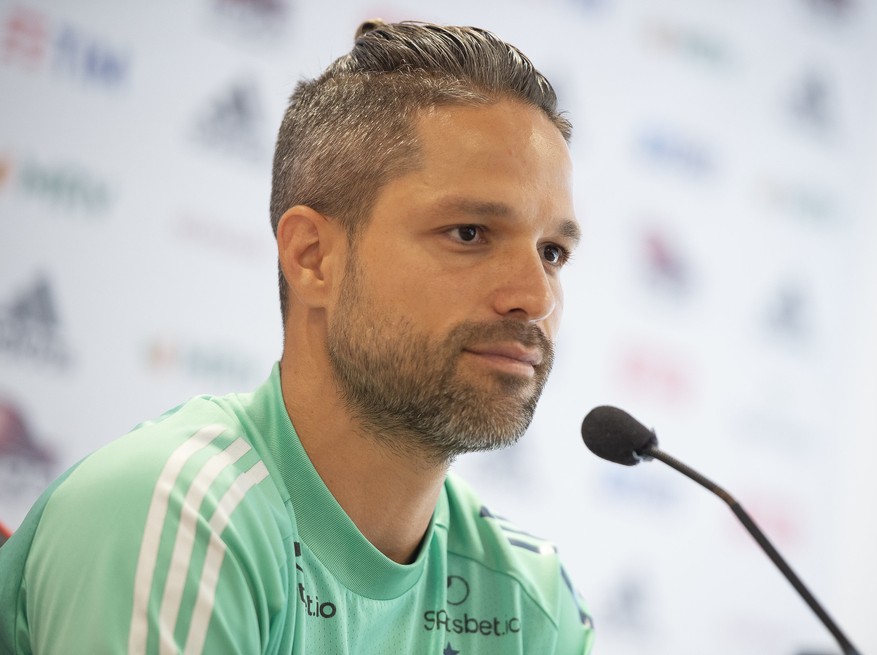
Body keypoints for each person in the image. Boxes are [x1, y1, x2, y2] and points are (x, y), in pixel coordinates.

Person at [0, 19, 594, 654]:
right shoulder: (178, 514)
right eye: (469, 233)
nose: (534, 297)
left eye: (553, 252)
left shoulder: (530, 600)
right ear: (312, 258)